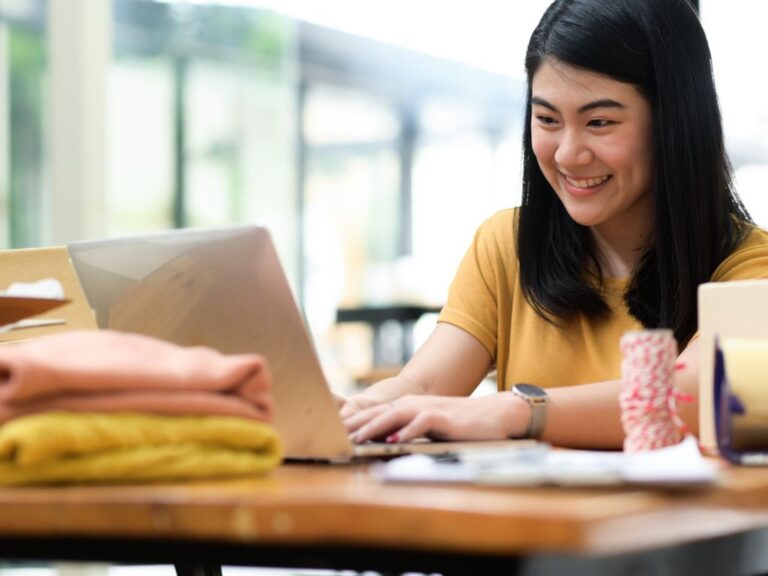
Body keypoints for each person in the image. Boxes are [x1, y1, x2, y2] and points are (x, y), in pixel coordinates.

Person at [340, 0, 768, 449]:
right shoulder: (507, 246)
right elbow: (425, 388)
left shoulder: (750, 269)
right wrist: (348, 414)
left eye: (599, 122)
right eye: (547, 119)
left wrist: (514, 410)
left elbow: (698, 396)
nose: (567, 154)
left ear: (674, 123)